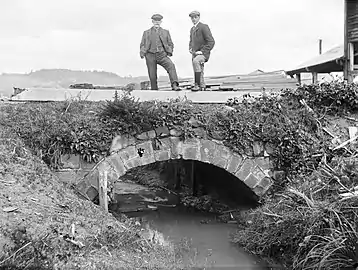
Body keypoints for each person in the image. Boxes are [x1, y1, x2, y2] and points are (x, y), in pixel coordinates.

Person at [140, 14, 181, 91]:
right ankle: (154, 90)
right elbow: (142, 44)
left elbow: (170, 44)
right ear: (152, 21)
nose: (157, 22)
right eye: (155, 21)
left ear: (161, 22)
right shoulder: (146, 33)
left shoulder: (165, 32)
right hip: (150, 55)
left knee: (171, 66)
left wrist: (169, 51)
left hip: (162, 55)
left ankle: (175, 84)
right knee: (152, 75)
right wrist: (143, 53)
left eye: (158, 21)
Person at [188, 11, 215, 91]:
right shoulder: (192, 29)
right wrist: (190, 48)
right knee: (199, 68)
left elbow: (211, 42)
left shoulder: (204, 27)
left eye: (195, 17)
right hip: (195, 53)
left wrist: (202, 51)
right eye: (192, 18)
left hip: (203, 53)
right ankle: (202, 85)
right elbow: (191, 41)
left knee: (196, 62)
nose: (193, 19)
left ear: (199, 17)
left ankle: (197, 84)